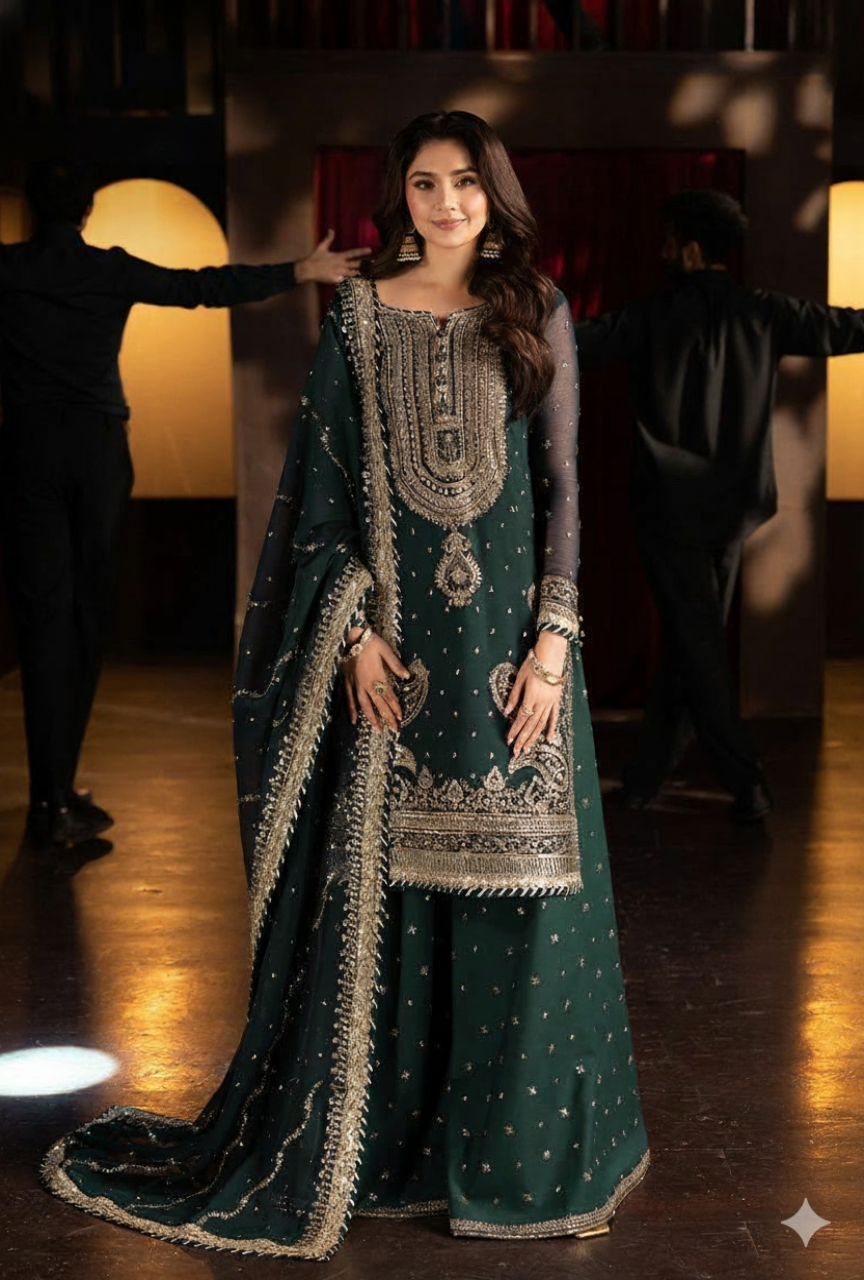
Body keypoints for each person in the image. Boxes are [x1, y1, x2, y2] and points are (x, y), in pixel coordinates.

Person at [42, 112, 649, 1257]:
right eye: (424, 183)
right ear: (399, 196)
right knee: (400, 911)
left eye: (465, 182)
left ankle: (518, 1162)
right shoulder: (360, 318)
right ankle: (398, 1149)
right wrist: (355, 634)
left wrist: (555, 644)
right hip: (399, 673)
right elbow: (317, 504)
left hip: (518, 665)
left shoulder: (538, 309)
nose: (446, 203)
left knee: (523, 908)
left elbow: (565, 484)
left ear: (495, 192)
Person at [0, 160, 369, 848]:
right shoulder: (106, 268)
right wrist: (299, 271)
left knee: (41, 620)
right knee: (85, 617)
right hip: (94, 450)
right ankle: (56, 796)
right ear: (85, 213)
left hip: (23, 450)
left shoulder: (9, 270)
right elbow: (200, 288)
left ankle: (49, 798)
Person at [574, 189, 864, 822]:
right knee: (694, 642)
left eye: (667, 241)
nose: (660, 251)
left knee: (697, 644)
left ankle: (745, 780)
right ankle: (646, 778)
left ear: (690, 250)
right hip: (734, 511)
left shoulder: (650, 316)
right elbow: (848, 327)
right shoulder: (765, 312)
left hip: (669, 511)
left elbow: (572, 344)